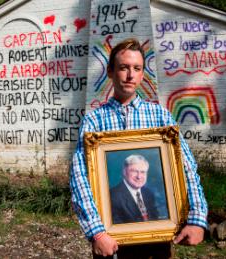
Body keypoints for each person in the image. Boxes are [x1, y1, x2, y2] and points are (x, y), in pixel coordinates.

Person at [69, 38, 208, 258]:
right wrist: (97, 233)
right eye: (123, 67)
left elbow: (187, 169)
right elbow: (79, 177)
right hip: (110, 240)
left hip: (158, 239)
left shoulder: (160, 117)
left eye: (137, 68)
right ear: (111, 72)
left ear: (143, 74)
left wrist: (197, 219)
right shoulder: (94, 121)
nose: (130, 75)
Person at [110, 154, 159, 224]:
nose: (139, 176)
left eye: (143, 172)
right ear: (124, 172)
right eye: (134, 171)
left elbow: (156, 220)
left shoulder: (148, 193)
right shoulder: (113, 197)